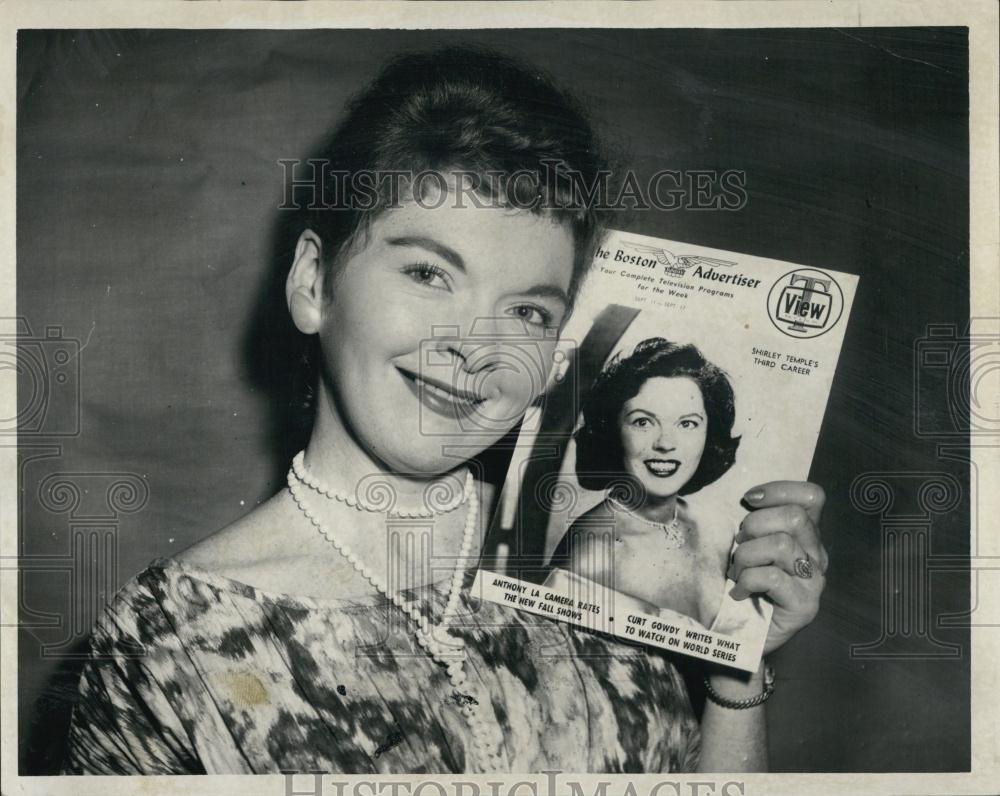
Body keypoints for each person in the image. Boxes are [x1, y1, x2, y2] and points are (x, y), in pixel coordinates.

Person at [62, 45, 828, 775]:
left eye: (528, 312)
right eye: (429, 273)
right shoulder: (164, 642)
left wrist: (736, 671)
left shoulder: (601, 560)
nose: (476, 347)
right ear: (311, 283)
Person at [549, 338, 769, 637]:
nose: (666, 443)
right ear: (613, 431)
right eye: (643, 422)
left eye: (687, 424)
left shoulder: (721, 529)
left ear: (710, 433)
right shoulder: (592, 553)